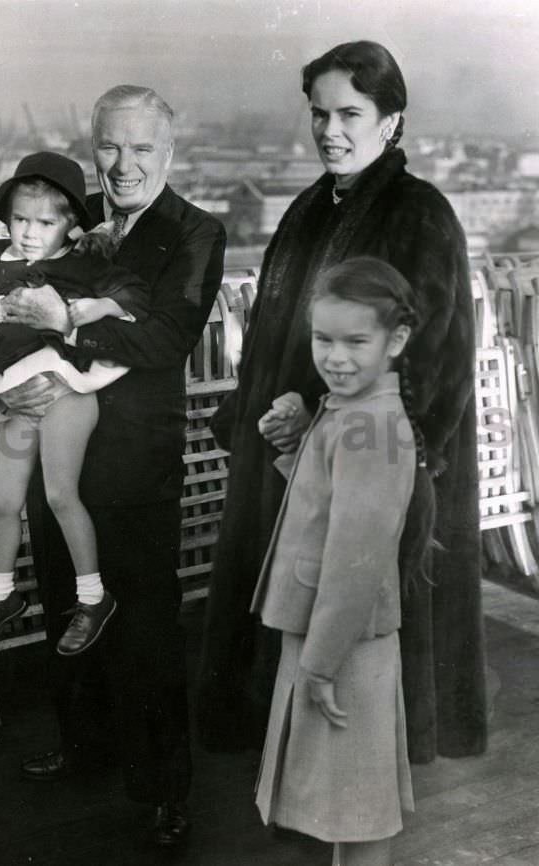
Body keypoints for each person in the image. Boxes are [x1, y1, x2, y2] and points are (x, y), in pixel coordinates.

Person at [198, 39, 485, 765]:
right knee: (300, 606)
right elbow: (271, 328)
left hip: (362, 454)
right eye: (320, 113)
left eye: (350, 113)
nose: (330, 129)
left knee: (353, 611)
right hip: (287, 445)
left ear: (391, 120)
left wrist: (388, 453)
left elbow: (437, 352)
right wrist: (256, 406)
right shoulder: (306, 208)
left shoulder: (420, 214)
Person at [0, 86, 226, 847]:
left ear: (169, 151)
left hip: (132, 461)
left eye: (140, 149)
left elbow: (166, 340)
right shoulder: (74, 216)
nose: (122, 164)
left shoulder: (196, 232)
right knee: (65, 600)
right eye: (109, 146)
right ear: (93, 144)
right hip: (54, 443)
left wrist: (67, 328)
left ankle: (165, 790)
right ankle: (85, 747)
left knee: (147, 628)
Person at [0, 152, 151, 657]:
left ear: (70, 227)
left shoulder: (82, 265)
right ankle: (0, 599)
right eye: (20, 219)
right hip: (17, 397)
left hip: (65, 392)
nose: (29, 232)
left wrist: (98, 306)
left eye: (45, 222)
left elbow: (136, 300)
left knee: (58, 496)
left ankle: (93, 599)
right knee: (2, 503)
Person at [253, 256, 432, 866]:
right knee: (345, 798)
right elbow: (332, 506)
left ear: (397, 340)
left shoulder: (372, 425)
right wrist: (297, 445)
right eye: (323, 339)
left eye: (356, 341)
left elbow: (356, 560)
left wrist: (321, 664)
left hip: (340, 643)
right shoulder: (349, 411)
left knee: (357, 805)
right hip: (331, 634)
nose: (335, 356)